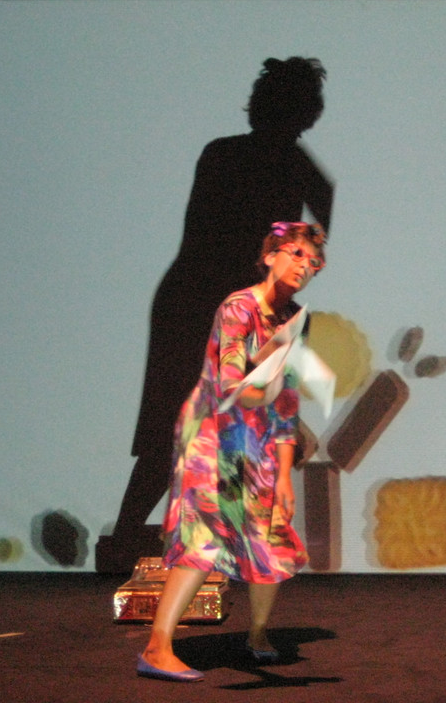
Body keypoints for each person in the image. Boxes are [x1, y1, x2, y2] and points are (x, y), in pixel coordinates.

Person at [98, 57, 334, 572]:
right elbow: (251, 240)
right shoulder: (280, 164)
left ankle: (143, 542)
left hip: (201, 299)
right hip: (204, 302)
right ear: (305, 113)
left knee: (185, 428)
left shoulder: (233, 155)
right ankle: (137, 543)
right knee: (182, 426)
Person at [136, 221, 326, 683]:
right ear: (270, 256)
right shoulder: (239, 307)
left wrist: (284, 473)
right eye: (296, 254)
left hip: (257, 441)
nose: (305, 266)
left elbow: (285, 403)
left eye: (314, 261)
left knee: (271, 534)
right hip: (212, 436)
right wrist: (273, 368)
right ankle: (157, 648)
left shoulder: (294, 319)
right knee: (203, 535)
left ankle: (257, 635)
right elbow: (230, 383)